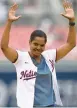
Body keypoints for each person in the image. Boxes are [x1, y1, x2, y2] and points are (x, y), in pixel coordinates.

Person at [1, 0, 76, 108]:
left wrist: (72, 21)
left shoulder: (49, 56)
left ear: (45, 45)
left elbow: (71, 44)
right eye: (35, 44)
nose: (38, 47)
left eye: (42, 45)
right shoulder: (20, 58)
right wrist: (8, 23)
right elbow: (4, 47)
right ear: (29, 43)